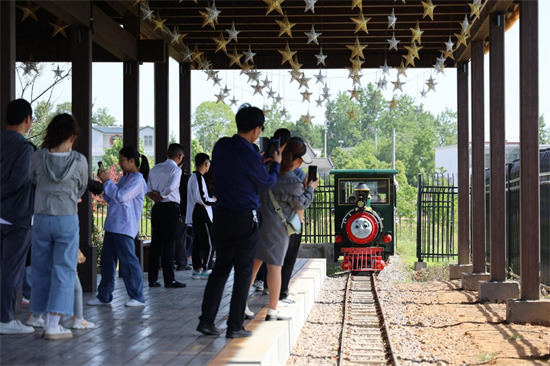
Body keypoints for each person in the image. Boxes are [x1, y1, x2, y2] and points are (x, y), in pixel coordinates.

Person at [197, 103, 281, 339]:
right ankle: (234, 326)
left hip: (221, 216)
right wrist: (274, 164)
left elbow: (236, 168)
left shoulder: (222, 146)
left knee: (220, 269)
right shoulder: (251, 156)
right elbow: (266, 183)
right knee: (243, 272)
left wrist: (259, 160)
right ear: (256, 130)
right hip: (245, 218)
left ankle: (206, 321)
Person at [29, 113, 88, 339]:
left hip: (42, 217)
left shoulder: (37, 157)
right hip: (66, 218)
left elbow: (32, 180)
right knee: (64, 269)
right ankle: (53, 324)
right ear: (72, 137)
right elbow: (81, 187)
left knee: (41, 268)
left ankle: (40, 318)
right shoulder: (79, 161)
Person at [247, 137, 318, 321]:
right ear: (298, 160)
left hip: (261, 223)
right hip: (278, 228)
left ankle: (241, 305)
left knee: (254, 267)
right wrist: (310, 188)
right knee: (275, 267)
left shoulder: (269, 173)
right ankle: (273, 309)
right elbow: (301, 204)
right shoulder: (292, 181)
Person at [88, 146, 149, 307]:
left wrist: (108, 181)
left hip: (125, 227)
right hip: (113, 225)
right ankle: (104, 295)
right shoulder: (125, 178)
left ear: (132, 161)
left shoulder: (138, 180)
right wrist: (104, 184)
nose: (120, 163)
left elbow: (121, 197)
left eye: (122, 160)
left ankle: (137, 296)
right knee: (108, 263)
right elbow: (112, 198)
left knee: (128, 262)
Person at [0, 99, 36, 334]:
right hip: (17, 217)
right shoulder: (25, 148)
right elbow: (19, 181)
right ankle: (5, 320)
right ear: (27, 120)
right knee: (11, 270)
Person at [146, 143, 186, 288]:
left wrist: (155, 196)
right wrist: (162, 195)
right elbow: (171, 187)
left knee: (156, 243)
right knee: (168, 244)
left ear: (167, 153)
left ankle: (152, 279)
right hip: (170, 207)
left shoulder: (156, 167)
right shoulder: (176, 170)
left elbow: (148, 188)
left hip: (157, 208)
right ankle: (169, 279)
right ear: (180, 157)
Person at [28, 250, 96, 329]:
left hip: (49, 262)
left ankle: (35, 316)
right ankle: (78, 318)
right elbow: (69, 244)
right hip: (65, 263)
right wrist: (80, 256)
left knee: (46, 289)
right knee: (77, 290)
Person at [186, 153, 216, 280]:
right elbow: (201, 198)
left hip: (196, 214)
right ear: (205, 164)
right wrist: (213, 200)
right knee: (209, 242)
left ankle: (197, 269)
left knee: (198, 242)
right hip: (202, 214)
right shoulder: (198, 177)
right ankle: (206, 268)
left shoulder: (193, 177)